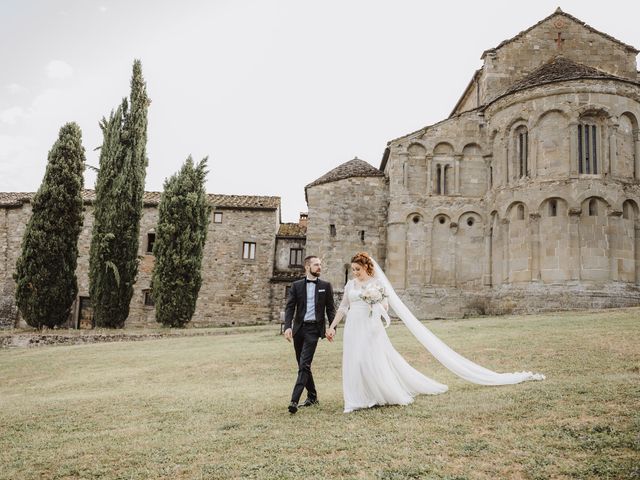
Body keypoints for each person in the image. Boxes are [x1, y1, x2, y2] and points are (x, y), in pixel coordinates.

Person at [326, 252, 544, 413]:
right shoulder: (350, 285)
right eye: (353, 269)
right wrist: (333, 325)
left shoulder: (377, 284)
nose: (355, 273)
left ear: (367, 268)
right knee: (354, 360)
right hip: (354, 326)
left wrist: (375, 302)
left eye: (358, 269)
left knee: (370, 359)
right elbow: (344, 307)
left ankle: (376, 395)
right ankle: (356, 398)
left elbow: (385, 307)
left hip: (370, 325)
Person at [283, 255, 336, 414]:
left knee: (304, 364)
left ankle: (294, 400)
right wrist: (287, 327)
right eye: (316, 265)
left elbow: (330, 309)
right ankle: (312, 396)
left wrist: (332, 328)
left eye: (320, 264)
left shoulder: (326, 286)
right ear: (307, 267)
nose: (319, 267)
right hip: (299, 329)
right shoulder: (297, 285)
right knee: (302, 364)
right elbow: (290, 307)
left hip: (314, 330)